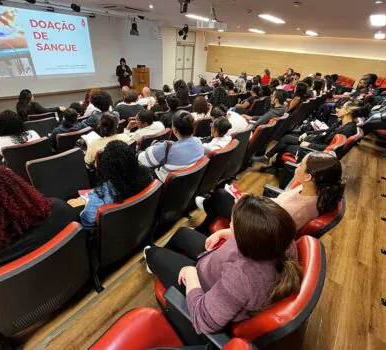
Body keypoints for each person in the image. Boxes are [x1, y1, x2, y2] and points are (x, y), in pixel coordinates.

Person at [144, 194, 302, 334]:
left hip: (203, 286)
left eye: (232, 223)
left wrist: (191, 273)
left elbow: (203, 320)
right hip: (215, 264)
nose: (230, 225)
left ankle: (151, 261)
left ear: (246, 238)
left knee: (154, 254)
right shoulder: (283, 239)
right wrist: (223, 233)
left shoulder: (242, 277)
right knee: (182, 234)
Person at [195, 151, 344, 235]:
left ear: (308, 176)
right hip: (265, 212)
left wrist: (241, 208)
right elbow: (277, 206)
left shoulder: (299, 210)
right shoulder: (312, 191)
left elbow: (262, 233)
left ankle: (203, 226)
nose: (297, 165)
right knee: (222, 197)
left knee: (221, 196)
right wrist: (254, 200)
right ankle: (204, 222)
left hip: (254, 225)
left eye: (301, 164)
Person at [253, 99, 363, 165]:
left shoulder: (348, 130)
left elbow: (330, 149)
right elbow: (326, 131)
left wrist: (308, 144)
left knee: (285, 146)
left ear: (348, 111)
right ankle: (266, 158)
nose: (338, 110)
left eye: (342, 108)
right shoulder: (343, 123)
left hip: (315, 151)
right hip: (317, 141)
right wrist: (309, 133)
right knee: (286, 138)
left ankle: (273, 163)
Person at [72, 141, 153, 229]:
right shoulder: (148, 175)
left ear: (107, 166)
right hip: (137, 224)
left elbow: (87, 223)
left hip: (109, 233)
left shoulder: (100, 197)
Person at [138, 110, 204, 181]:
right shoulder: (199, 142)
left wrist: (155, 147)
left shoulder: (166, 149)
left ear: (174, 130)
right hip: (189, 184)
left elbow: (141, 159)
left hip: (164, 185)